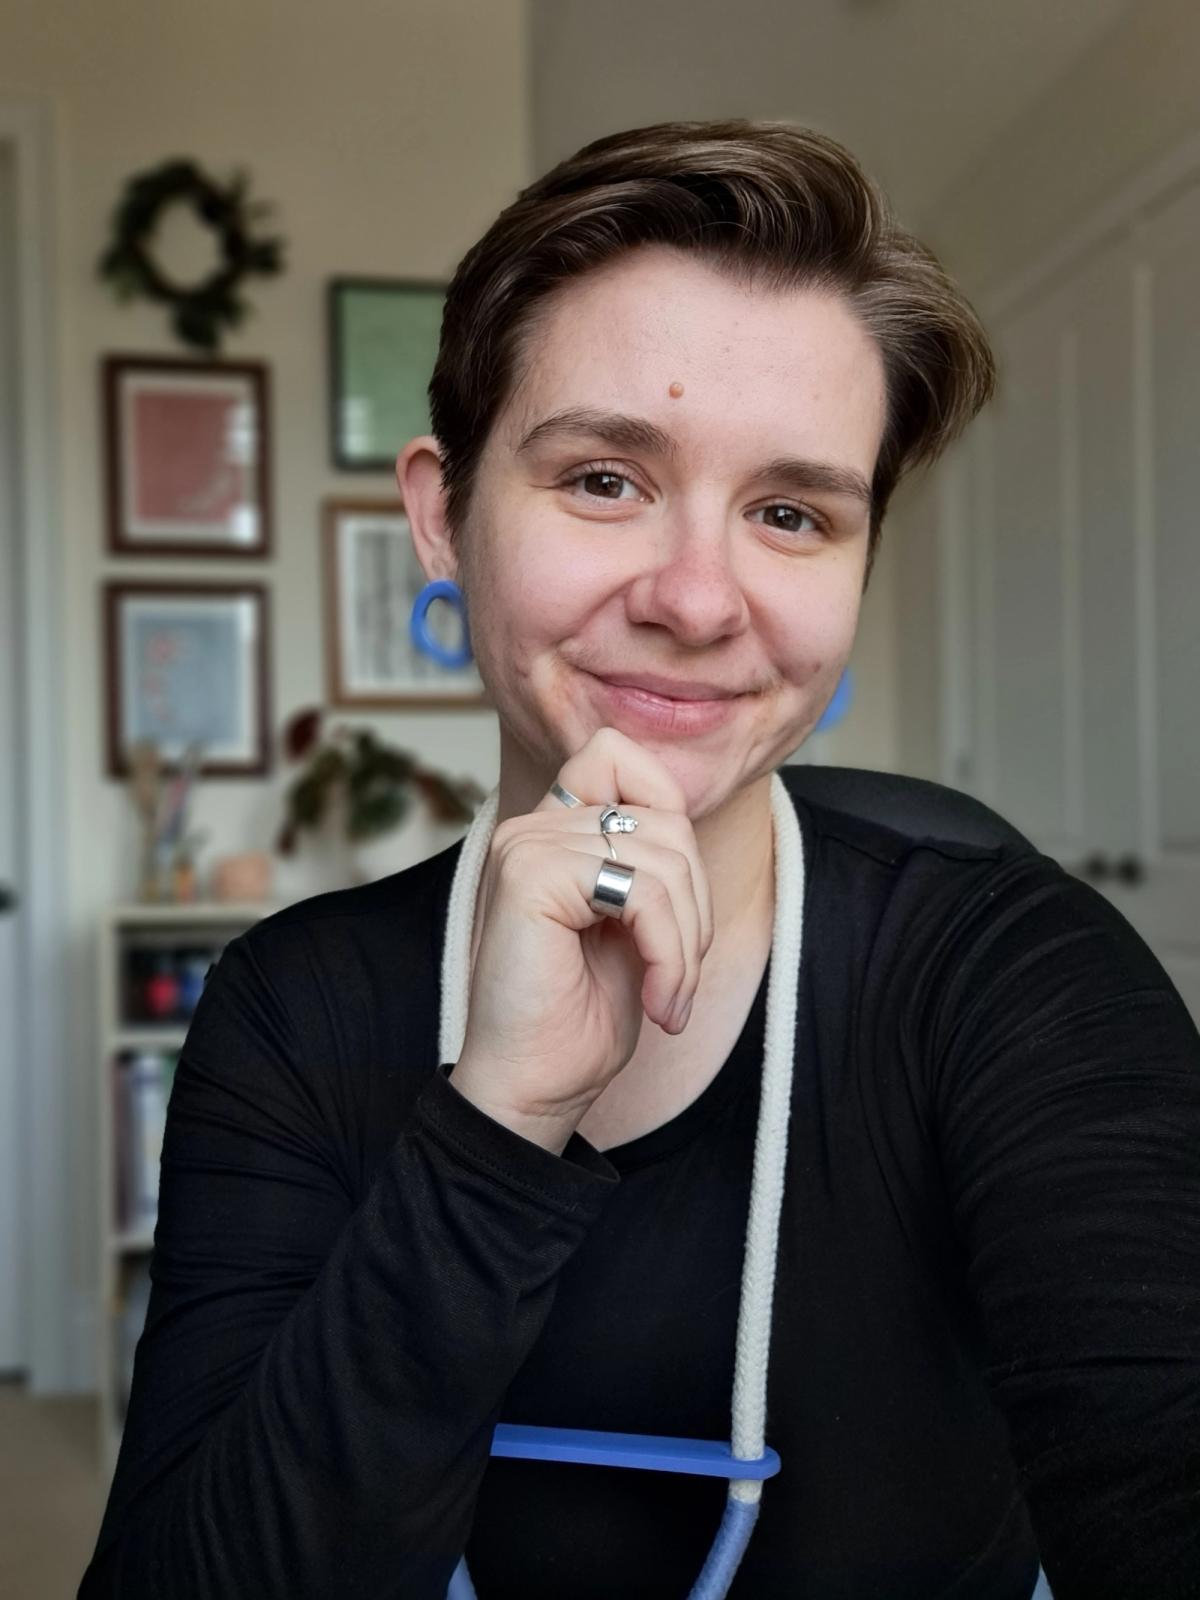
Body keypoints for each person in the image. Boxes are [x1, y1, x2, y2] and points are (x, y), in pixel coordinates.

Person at [79, 120, 1200, 1600]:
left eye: (792, 514)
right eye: (604, 478)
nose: (695, 598)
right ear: (442, 514)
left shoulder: (1014, 977)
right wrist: (498, 1122)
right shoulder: (297, 1010)